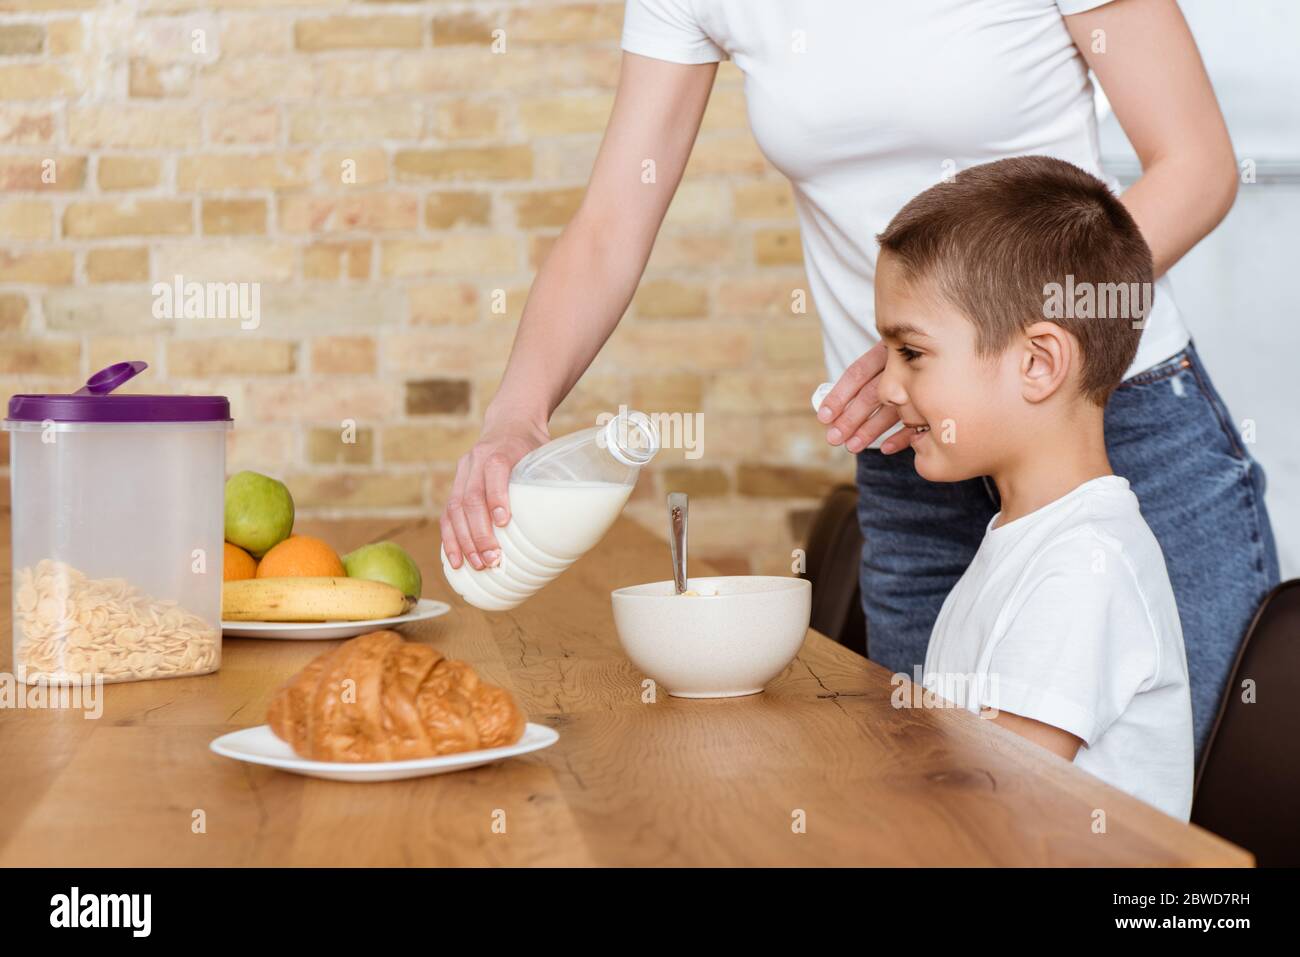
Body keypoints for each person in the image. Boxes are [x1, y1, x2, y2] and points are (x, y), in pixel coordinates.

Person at [439, 0, 1279, 767]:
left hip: (1113, 423)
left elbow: (1197, 165)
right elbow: (611, 222)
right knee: (928, 790)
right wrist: (516, 415)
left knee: (1189, 825)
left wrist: (982, 347)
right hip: (909, 454)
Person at [877, 155, 1192, 819]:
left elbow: (990, 806)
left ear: (1039, 363)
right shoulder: (1027, 541)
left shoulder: (1083, 569)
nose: (885, 387)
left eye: (911, 353)